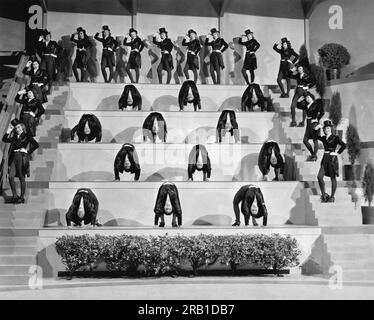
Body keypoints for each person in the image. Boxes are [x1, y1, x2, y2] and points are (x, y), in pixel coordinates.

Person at [2, 119, 39, 204]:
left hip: (22, 157)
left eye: (18, 127)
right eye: (16, 128)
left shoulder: (26, 135)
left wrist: (28, 151)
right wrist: (8, 131)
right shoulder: (14, 136)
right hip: (14, 157)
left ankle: (21, 197)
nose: (17, 129)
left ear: (22, 127)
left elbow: (36, 144)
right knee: (11, 176)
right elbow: (4, 139)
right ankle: (15, 195)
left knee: (21, 177)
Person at [317, 120, 346, 203]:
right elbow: (315, 136)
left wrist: (337, 153)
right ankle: (324, 195)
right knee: (319, 176)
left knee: (333, 178)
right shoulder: (323, 138)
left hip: (332, 159)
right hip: (325, 158)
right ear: (324, 130)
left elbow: (344, 145)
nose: (327, 130)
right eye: (326, 128)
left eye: (329, 128)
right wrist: (317, 128)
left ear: (331, 129)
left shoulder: (335, 137)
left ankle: (332, 197)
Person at [296, 92, 325, 161]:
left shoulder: (316, 104)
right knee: (305, 140)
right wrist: (299, 100)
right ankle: (313, 154)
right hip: (308, 123)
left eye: (308, 97)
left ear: (312, 97)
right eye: (306, 98)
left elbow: (322, 112)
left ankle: (314, 155)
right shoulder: (307, 105)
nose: (307, 99)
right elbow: (299, 106)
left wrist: (317, 119)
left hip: (314, 123)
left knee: (315, 140)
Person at [38, 29, 60, 94]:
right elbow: (38, 49)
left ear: (50, 36)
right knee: (42, 72)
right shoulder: (42, 43)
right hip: (44, 59)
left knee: (50, 75)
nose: (47, 37)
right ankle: (43, 87)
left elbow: (60, 50)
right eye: (46, 36)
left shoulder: (54, 43)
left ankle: (49, 90)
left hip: (50, 59)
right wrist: (39, 40)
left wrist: (55, 55)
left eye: (48, 36)